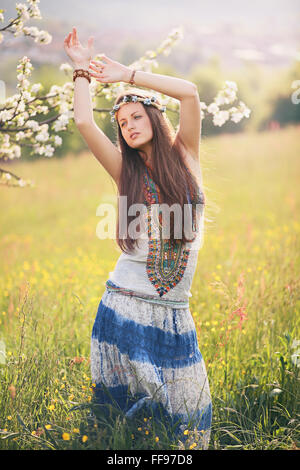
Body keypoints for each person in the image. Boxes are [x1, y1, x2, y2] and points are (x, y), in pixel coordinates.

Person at [64, 27, 212, 449]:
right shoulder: (125, 172)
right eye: (122, 123)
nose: (128, 126)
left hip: (174, 317)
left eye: (136, 117)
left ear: (153, 116)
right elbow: (82, 121)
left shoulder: (187, 155)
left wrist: (126, 76)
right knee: (120, 434)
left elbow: (189, 93)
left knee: (190, 430)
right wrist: (80, 71)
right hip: (122, 312)